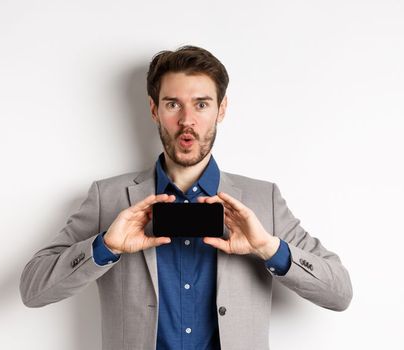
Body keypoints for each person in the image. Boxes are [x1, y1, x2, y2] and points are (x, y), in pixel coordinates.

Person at [20, 45, 352, 350]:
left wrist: (268, 248)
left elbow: (340, 293)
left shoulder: (263, 200)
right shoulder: (108, 198)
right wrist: (106, 247)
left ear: (221, 110)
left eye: (201, 104)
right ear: (154, 109)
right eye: (173, 104)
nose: (187, 120)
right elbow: (33, 290)